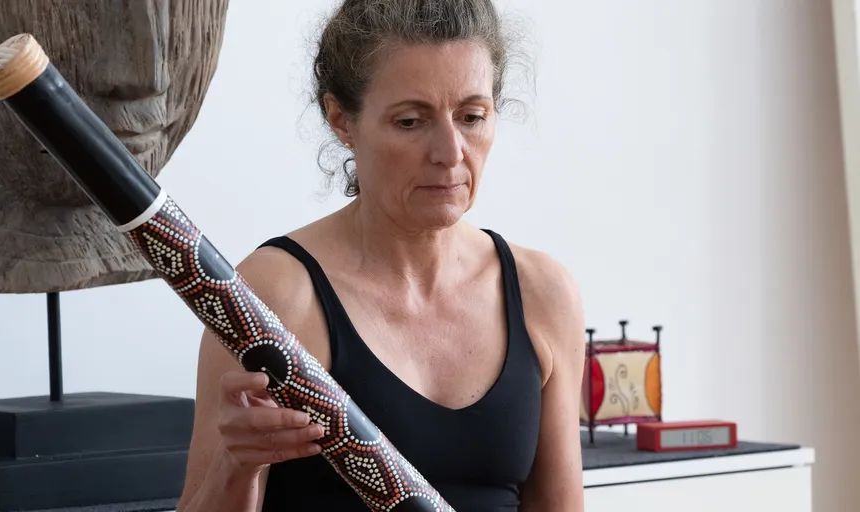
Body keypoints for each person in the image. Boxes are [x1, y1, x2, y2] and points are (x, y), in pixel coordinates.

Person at [176, 0, 586, 510]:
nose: (451, 152)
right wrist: (238, 466)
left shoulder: (542, 293)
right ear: (341, 120)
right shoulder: (274, 294)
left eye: (472, 116)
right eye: (411, 121)